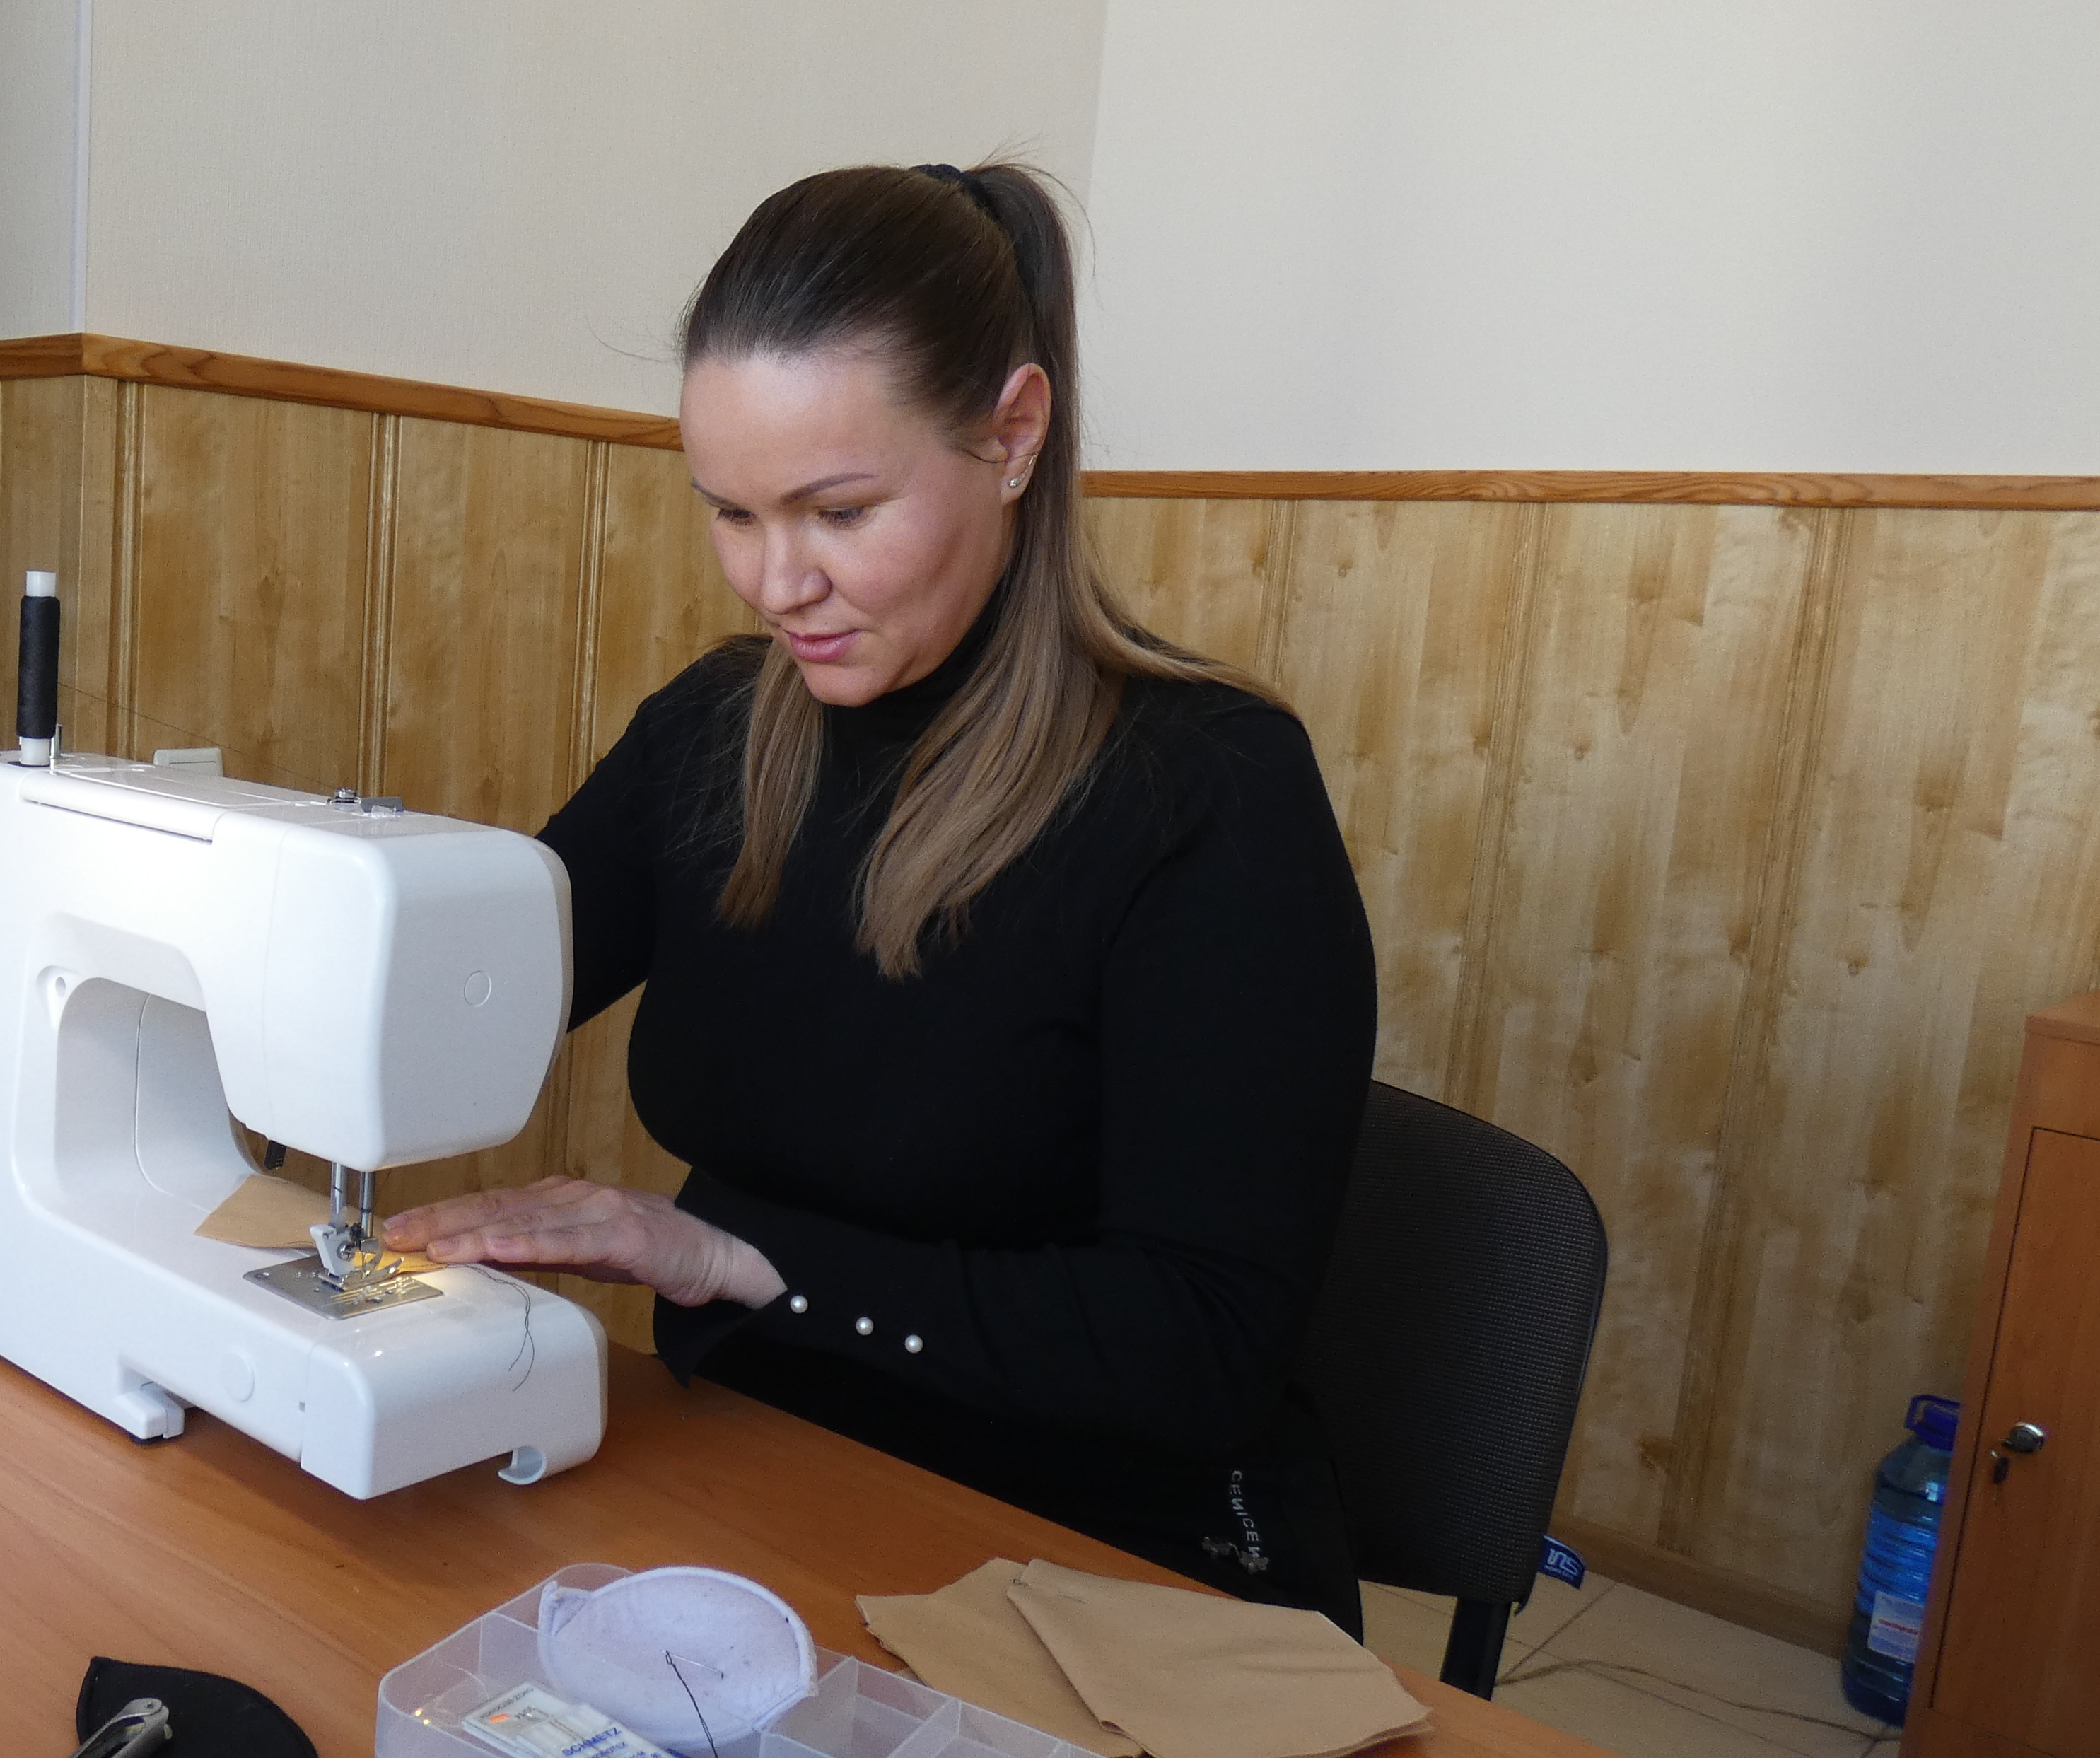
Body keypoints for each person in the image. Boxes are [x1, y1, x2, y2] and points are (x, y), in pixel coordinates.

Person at [377, 162, 1379, 1634]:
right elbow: (461, 986)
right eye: (730, 512)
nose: (776, 583)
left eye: (839, 511)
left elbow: (1199, 1349)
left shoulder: (1206, 795)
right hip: (751, 1470)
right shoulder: (716, 735)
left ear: (1014, 435)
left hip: (1096, 1554)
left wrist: (724, 1255)